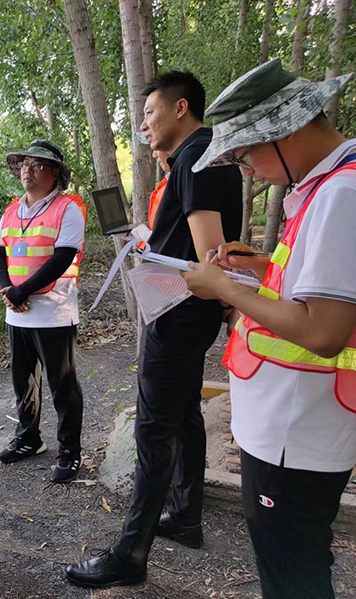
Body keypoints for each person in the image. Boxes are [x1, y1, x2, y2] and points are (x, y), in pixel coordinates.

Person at [183, 59, 356, 599]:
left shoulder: (342, 194)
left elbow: (323, 330)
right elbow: (317, 287)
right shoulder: (326, 186)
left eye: (244, 154)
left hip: (296, 433)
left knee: (292, 574)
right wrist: (258, 266)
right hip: (295, 427)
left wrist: (223, 286)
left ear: (285, 131)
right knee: (294, 562)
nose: (247, 170)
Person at [66, 72, 243, 588]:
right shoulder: (204, 157)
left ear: (180, 108)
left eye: (149, 112)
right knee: (183, 412)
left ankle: (130, 555)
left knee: (153, 427)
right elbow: (198, 245)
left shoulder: (196, 157)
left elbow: (208, 258)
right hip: (188, 311)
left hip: (179, 311)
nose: (143, 124)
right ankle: (186, 515)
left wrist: (207, 289)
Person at [0, 140, 87, 484]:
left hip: (53, 312)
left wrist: (23, 290)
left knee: (63, 385)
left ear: (55, 174)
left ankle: (70, 451)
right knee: (23, 381)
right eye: (24, 164)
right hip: (17, 312)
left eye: (37, 165)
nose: (27, 171)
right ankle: (29, 438)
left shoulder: (67, 209)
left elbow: (62, 258)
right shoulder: (11, 211)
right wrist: (9, 290)